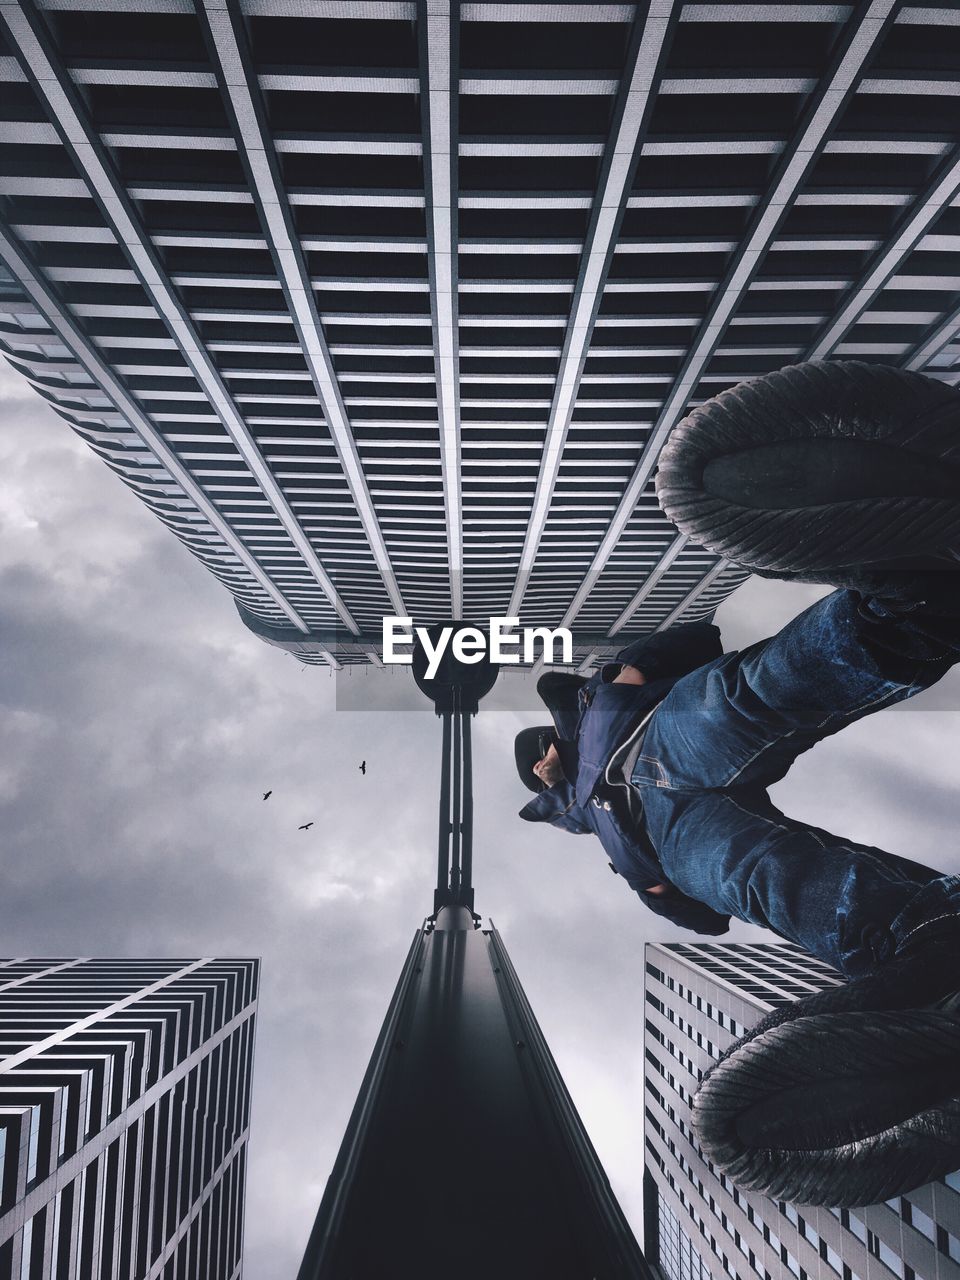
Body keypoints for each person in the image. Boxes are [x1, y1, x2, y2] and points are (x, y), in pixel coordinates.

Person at [516, 359, 960, 985]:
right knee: (753, 875)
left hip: (655, 737)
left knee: (756, 694)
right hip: (669, 836)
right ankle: (920, 940)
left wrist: (629, 676)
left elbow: (696, 638)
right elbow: (708, 922)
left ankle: (916, 603)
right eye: (534, 772)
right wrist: (661, 889)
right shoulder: (601, 843)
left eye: (536, 754)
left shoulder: (589, 705)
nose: (539, 765)